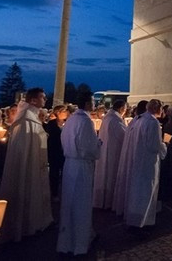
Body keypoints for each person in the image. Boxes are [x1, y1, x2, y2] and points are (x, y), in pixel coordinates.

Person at [0, 87, 53, 243]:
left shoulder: (32, 117)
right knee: (25, 188)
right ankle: (24, 226)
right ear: (33, 100)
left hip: (35, 163)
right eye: (42, 97)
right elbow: (22, 150)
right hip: (27, 165)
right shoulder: (25, 120)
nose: (45, 100)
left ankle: (35, 223)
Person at [57, 91, 101, 255]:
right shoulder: (86, 121)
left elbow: (65, 140)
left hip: (69, 164)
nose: (95, 104)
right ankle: (80, 243)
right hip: (82, 166)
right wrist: (99, 144)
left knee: (69, 203)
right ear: (88, 103)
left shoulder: (71, 119)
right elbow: (89, 148)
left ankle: (66, 241)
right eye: (93, 101)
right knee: (82, 204)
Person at [113, 99, 167, 235]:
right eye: (161, 108)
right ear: (156, 108)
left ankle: (135, 219)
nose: (162, 111)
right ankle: (143, 222)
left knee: (138, 191)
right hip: (148, 162)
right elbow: (154, 145)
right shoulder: (153, 122)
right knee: (147, 191)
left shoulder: (140, 119)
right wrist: (165, 146)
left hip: (138, 160)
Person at [93, 99, 128, 209]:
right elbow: (124, 136)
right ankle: (109, 201)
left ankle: (103, 200)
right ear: (121, 109)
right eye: (125, 109)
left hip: (106, 150)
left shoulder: (108, 118)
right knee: (111, 176)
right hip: (113, 152)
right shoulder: (115, 120)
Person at [44, 105, 68, 202]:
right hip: (54, 151)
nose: (66, 113)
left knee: (65, 173)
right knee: (54, 173)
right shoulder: (51, 124)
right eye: (64, 111)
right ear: (58, 113)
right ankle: (54, 193)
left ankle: (64, 193)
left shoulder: (68, 123)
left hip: (65, 152)